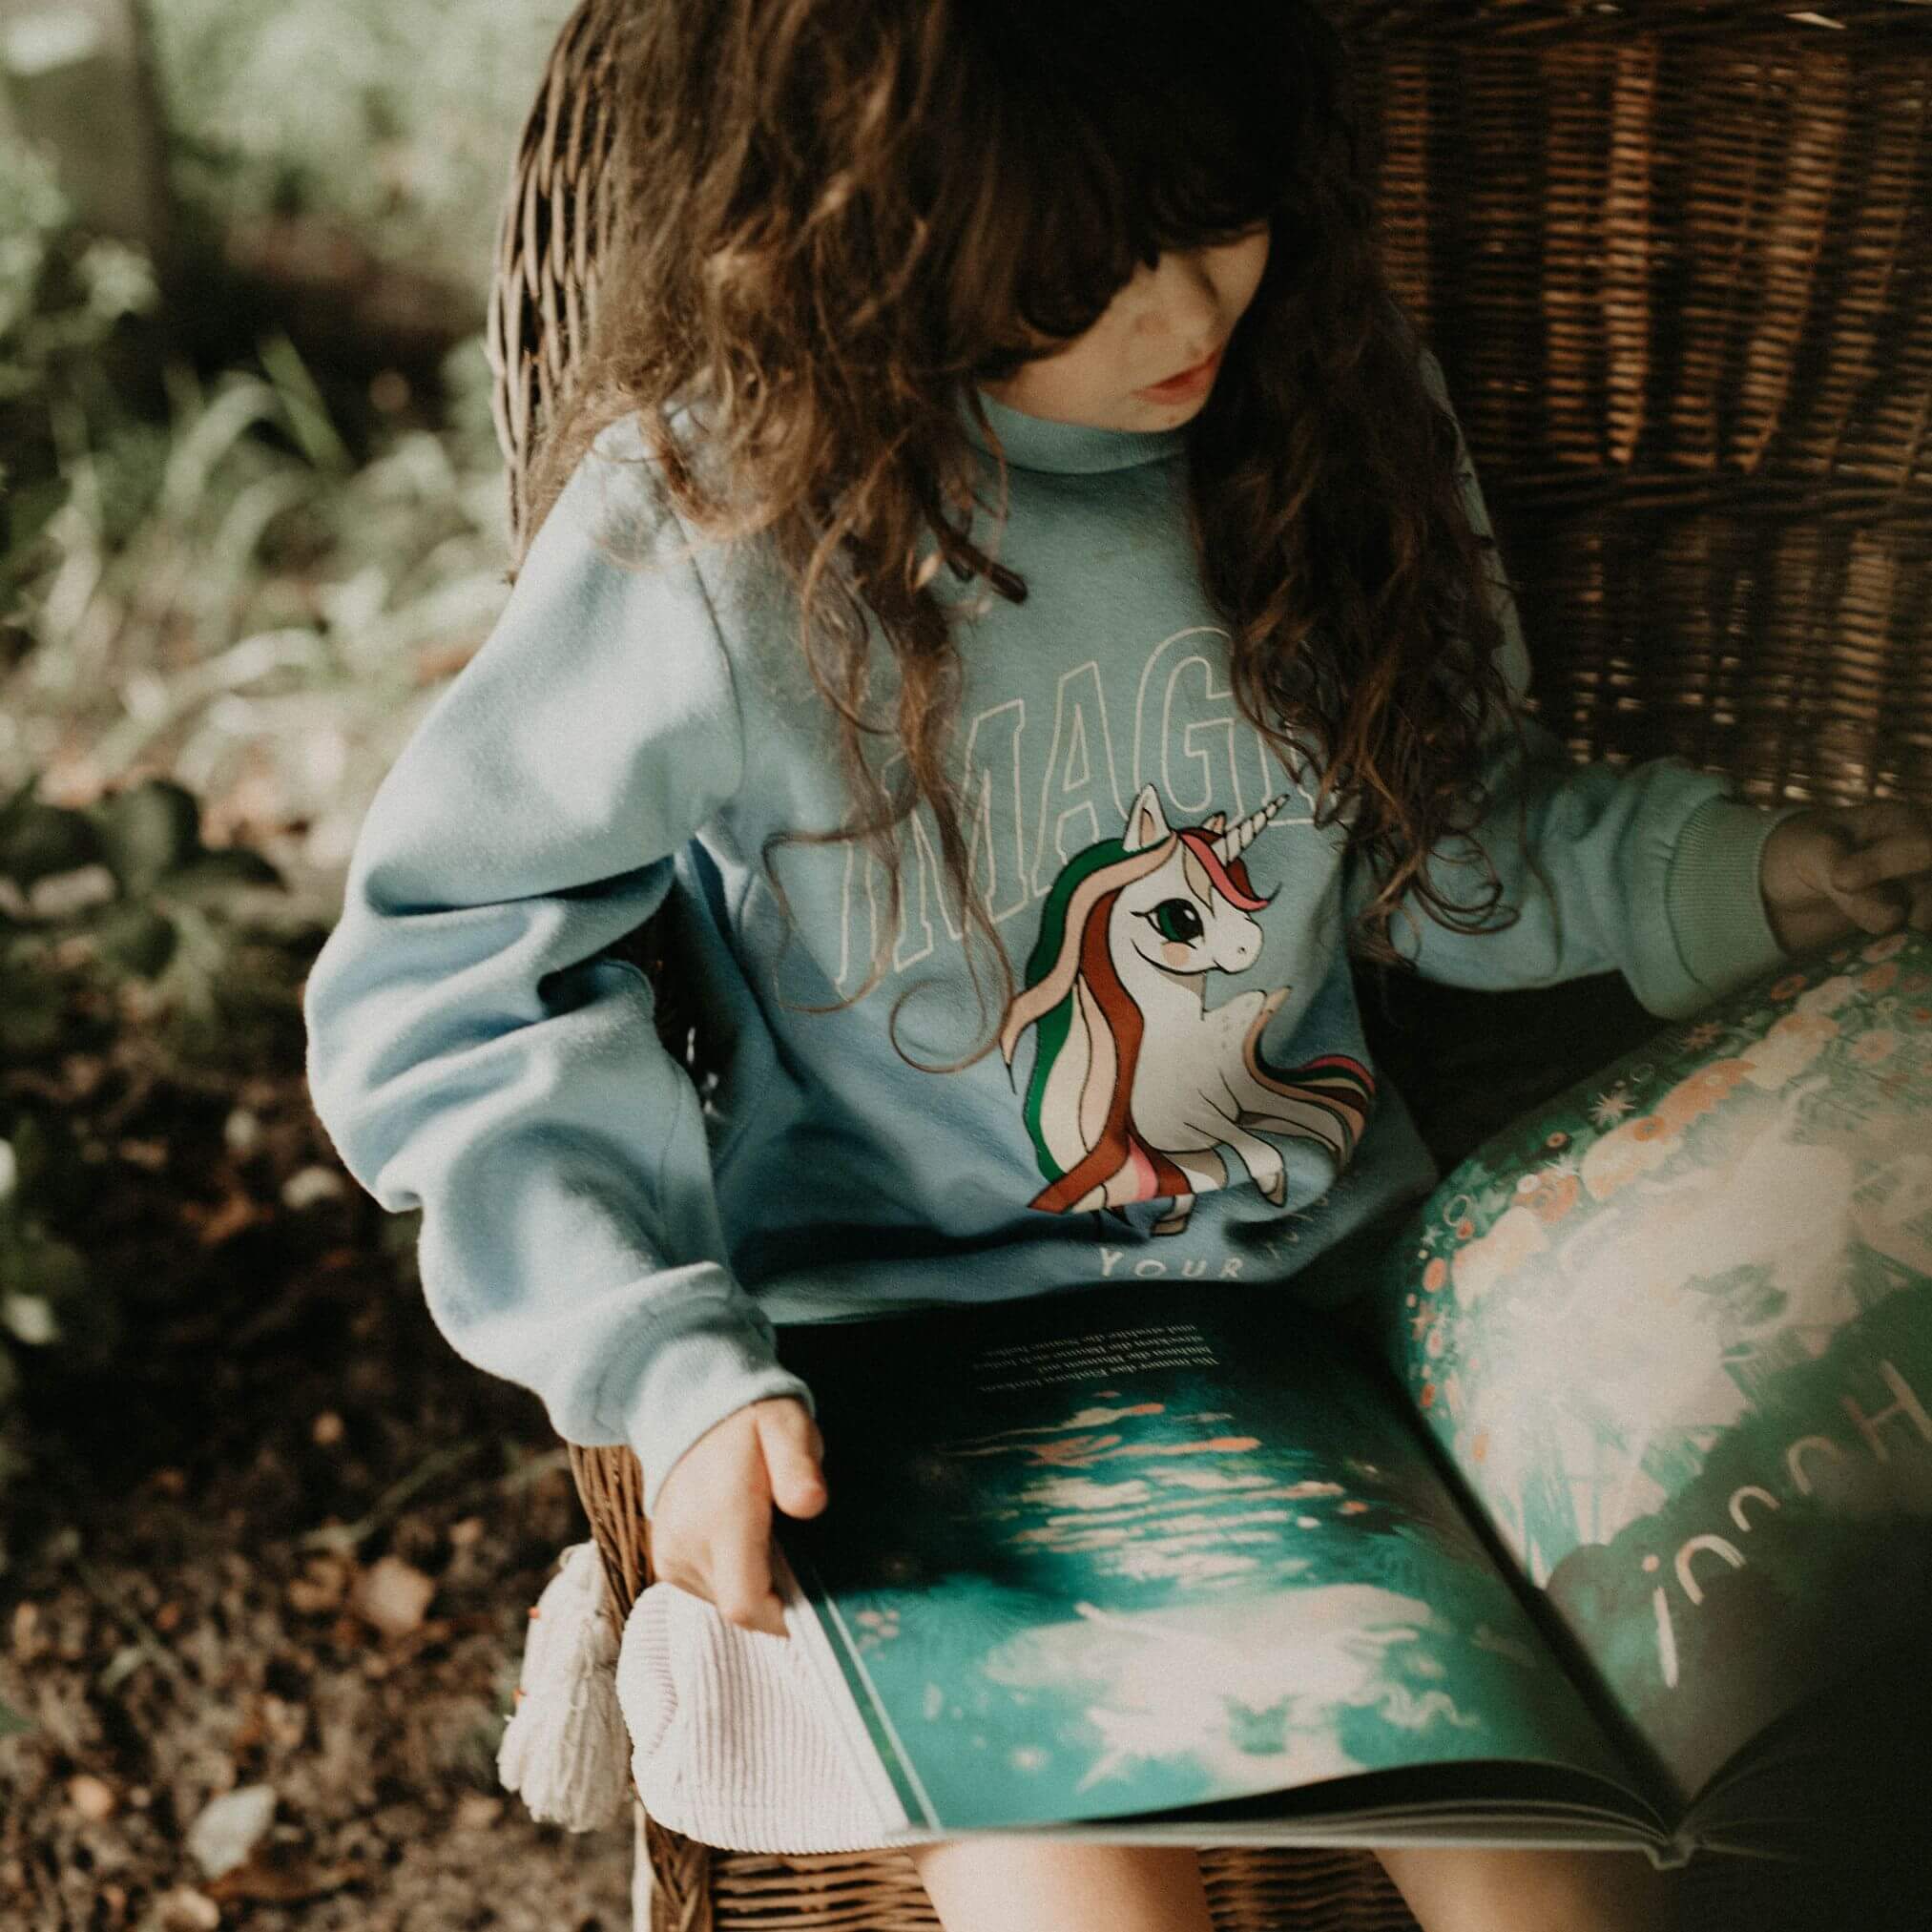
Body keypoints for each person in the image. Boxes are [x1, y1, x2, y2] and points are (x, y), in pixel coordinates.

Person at [301, 2, 1932, 1926]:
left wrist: (1738, 871)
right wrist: (661, 1354)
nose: (1179, 311)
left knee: (1557, 1873)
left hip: (1336, 1336)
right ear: (861, 241)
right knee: (1068, 1875)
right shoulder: (715, 526)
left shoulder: (1320, 403)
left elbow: (1450, 826)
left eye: (1216, 211)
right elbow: (453, 970)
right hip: (906, 1394)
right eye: (1071, 274)